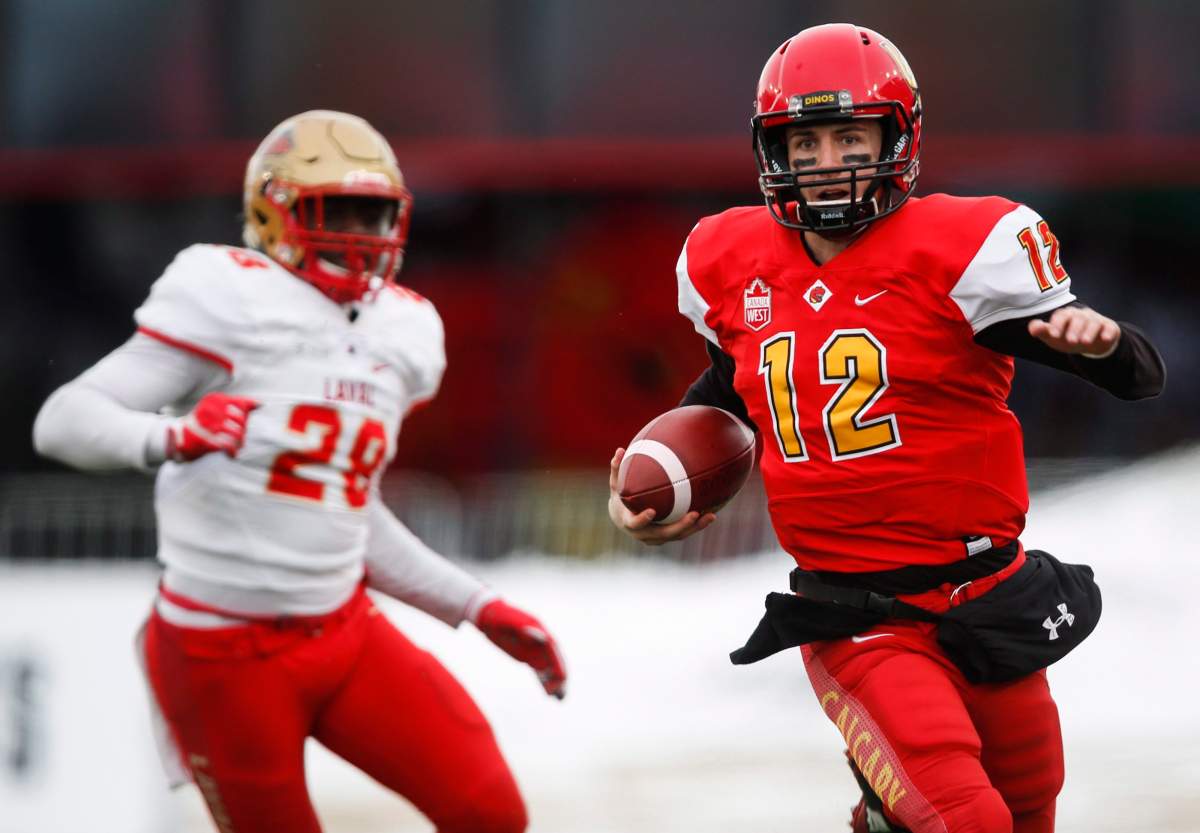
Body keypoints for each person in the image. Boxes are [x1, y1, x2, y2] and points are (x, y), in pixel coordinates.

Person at [608, 24, 1165, 833]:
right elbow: (733, 387)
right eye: (807, 140)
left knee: (1031, 808)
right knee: (968, 820)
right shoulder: (730, 260)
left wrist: (1104, 344)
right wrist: (665, 484)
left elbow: (1140, 377)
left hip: (989, 594)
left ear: (896, 138)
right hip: (857, 611)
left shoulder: (964, 251)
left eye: (850, 136)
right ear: (775, 151)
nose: (828, 159)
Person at [34, 110, 566, 833]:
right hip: (221, 654)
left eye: (373, 213)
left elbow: (343, 508)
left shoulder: (401, 330)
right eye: (334, 209)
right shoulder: (227, 294)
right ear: (272, 212)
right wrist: (170, 434)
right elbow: (63, 418)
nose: (359, 233)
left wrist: (474, 604)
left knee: (489, 811)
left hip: (341, 631)